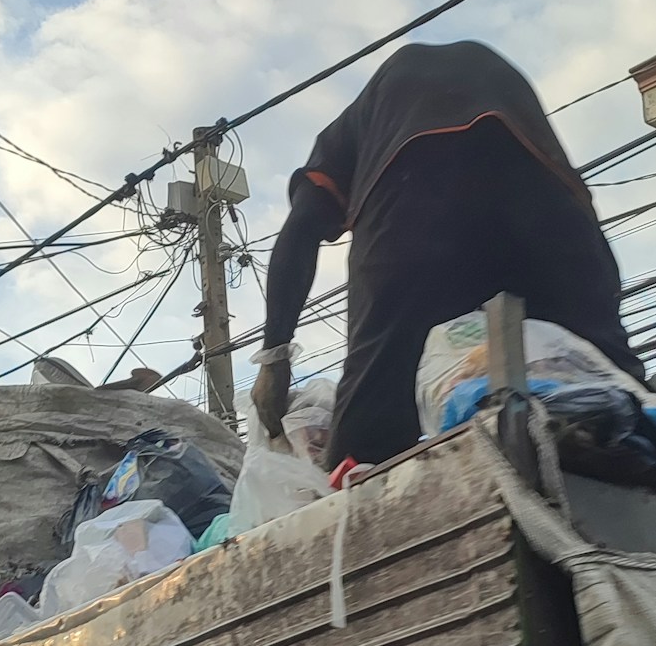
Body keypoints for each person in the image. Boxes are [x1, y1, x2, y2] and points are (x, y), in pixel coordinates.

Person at [252, 39, 634, 470]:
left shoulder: (342, 139)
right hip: (555, 214)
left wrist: (274, 359)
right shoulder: (479, 75)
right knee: (614, 383)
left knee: (370, 433)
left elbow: (301, 227)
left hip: (417, 192)